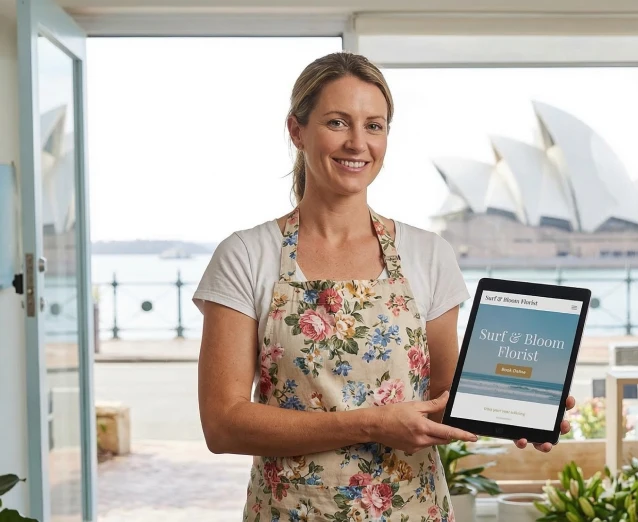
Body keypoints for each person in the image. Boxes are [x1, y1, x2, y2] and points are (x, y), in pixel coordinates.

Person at [192, 51, 575, 521]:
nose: (358, 143)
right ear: (297, 131)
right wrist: (373, 423)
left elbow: (442, 395)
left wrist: (515, 408)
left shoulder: (428, 254)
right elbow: (223, 424)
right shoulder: (246, 255)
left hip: (412, 509)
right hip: (290, 512)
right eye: (337, 122)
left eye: (375, 126)